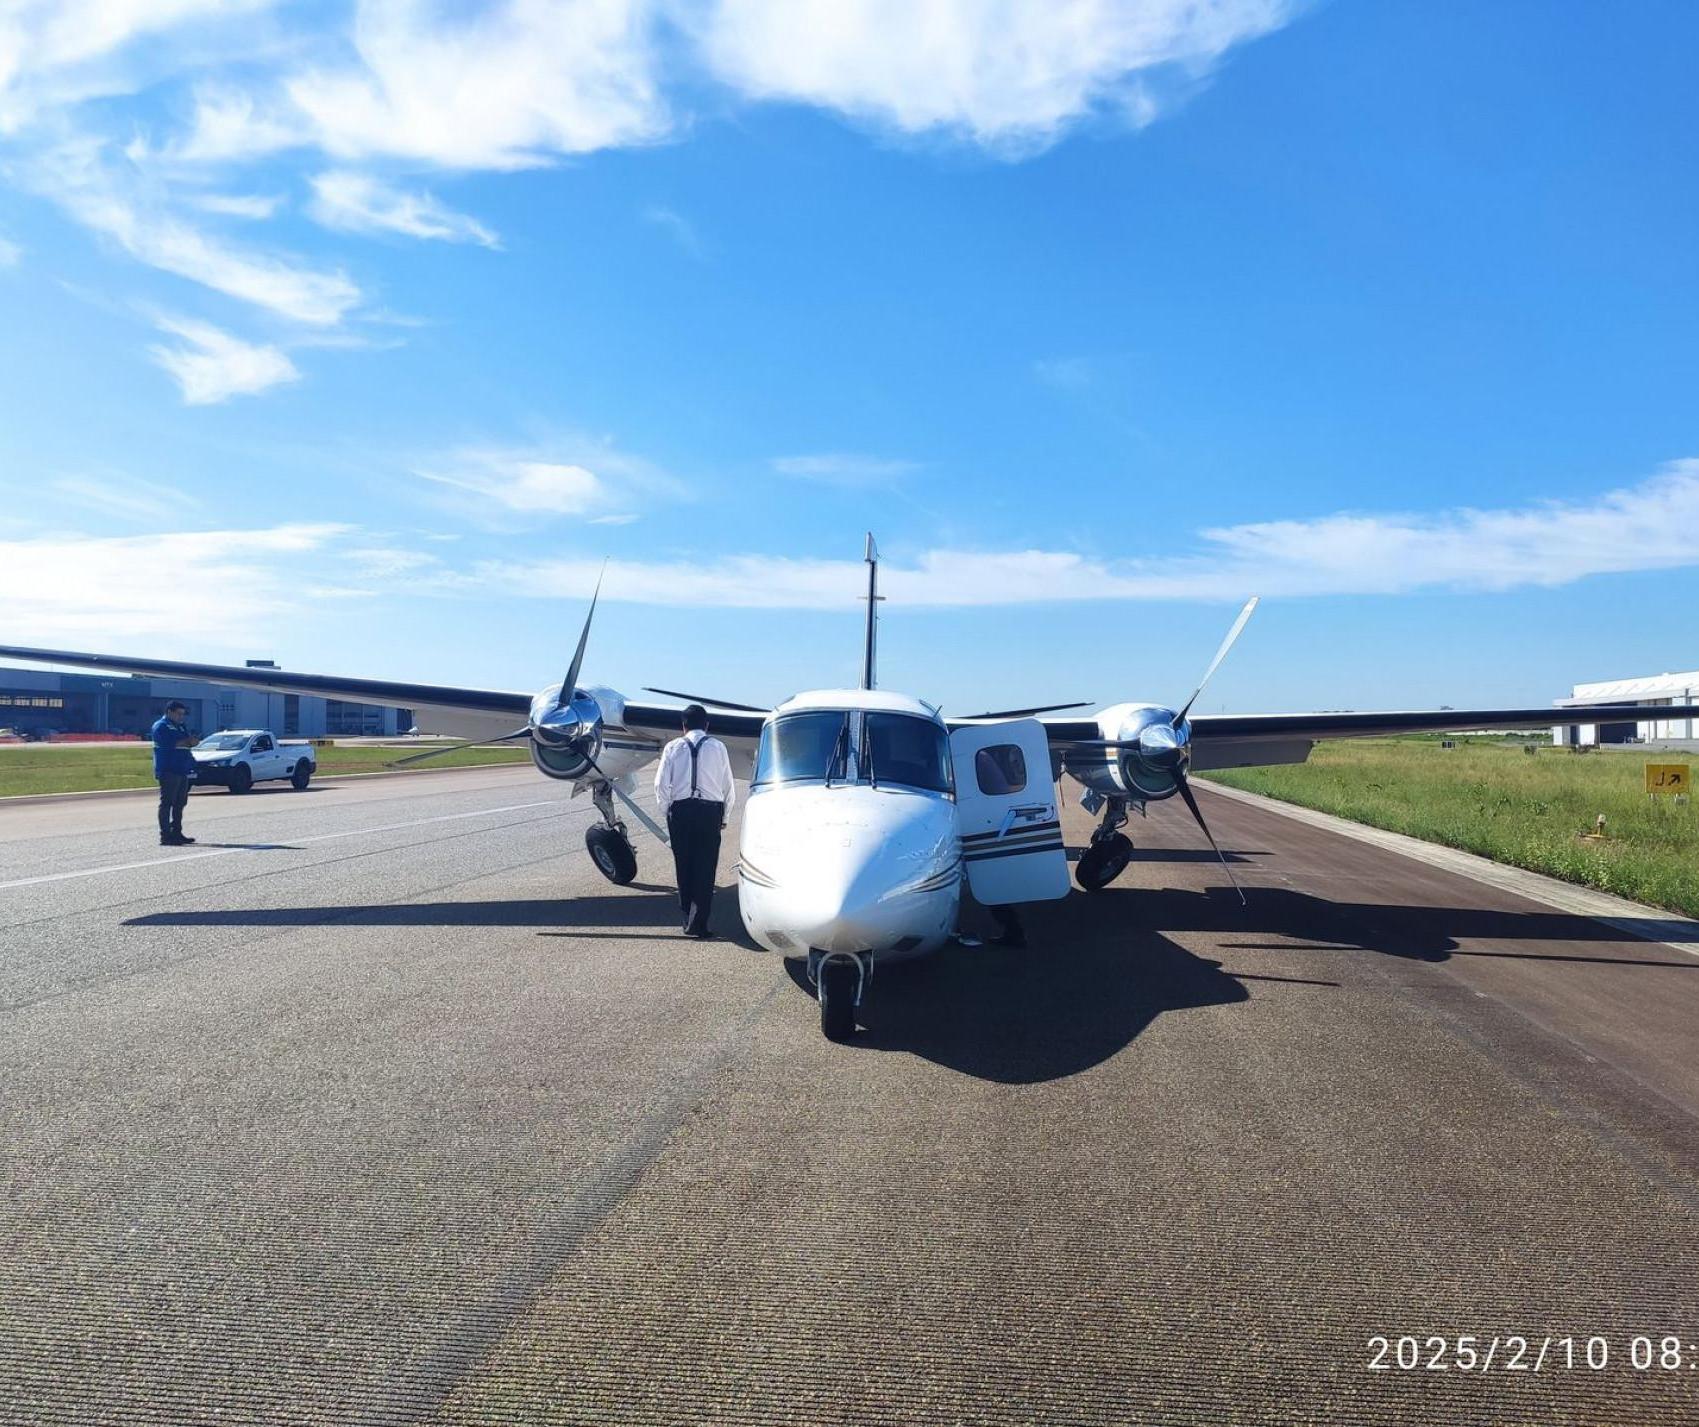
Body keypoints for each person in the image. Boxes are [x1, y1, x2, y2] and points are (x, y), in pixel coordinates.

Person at [654, 704, 736, 938]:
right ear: (707, 725)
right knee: (705, 868)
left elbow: (661, 784)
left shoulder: (672, 747)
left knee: (684, 866)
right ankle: (699, 923)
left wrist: (668, 810)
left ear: (683, 726)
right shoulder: (718, 747)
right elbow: (727, 784)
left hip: (680, 811)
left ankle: (686, 919)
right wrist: (725, 815)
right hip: (709, 811)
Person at [150, 700, 198, 846]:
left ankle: (177, 832)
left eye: (183, 714)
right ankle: (165, 835)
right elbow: (172, 743)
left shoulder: (180, 726)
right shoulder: (161, 726)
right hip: (168, 769)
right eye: (178, 713)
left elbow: (187, 743)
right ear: (169, 712)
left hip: (182, 769)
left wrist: (191, 742)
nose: (181, 717)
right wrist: (188, 741)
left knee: (180, 803)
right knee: (167, 803)